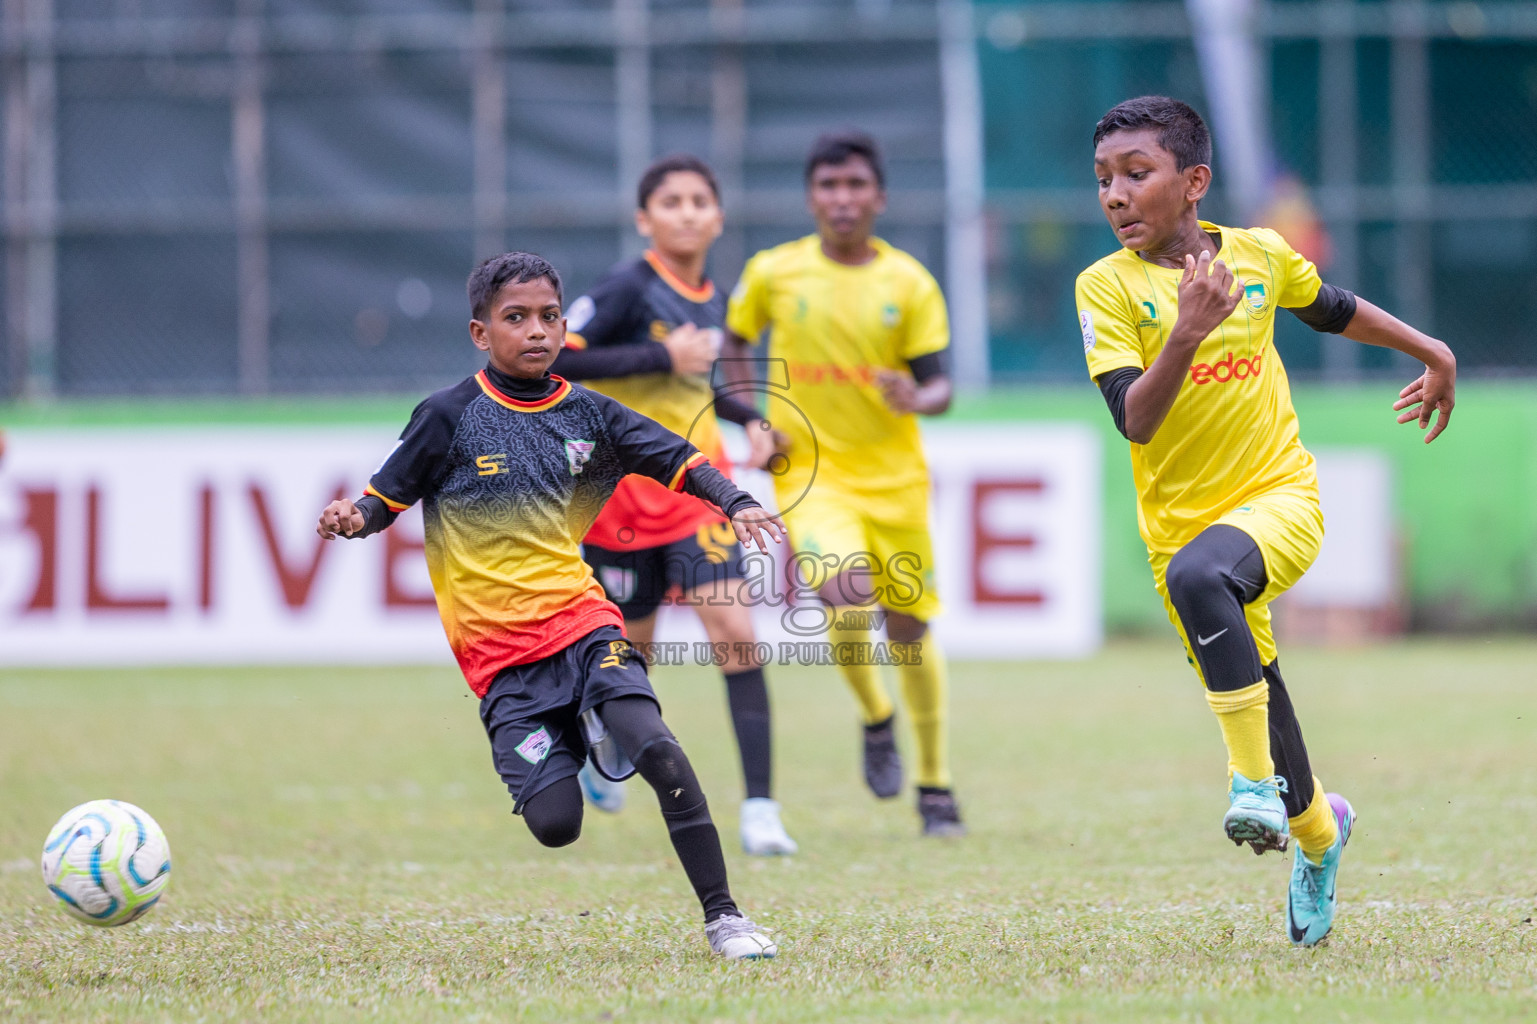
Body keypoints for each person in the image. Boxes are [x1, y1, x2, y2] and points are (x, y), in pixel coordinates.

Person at [315, 251, 786, 959]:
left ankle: (725, 917)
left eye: (547, 318)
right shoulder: (448, 416)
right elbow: (385, 496)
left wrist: (736, 499)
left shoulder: (588, 413)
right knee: (556, 824)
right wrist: (353, 517)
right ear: (481, 332)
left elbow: (675, 457)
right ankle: (581, 729)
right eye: (515, 319)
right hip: (500, 660)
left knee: (657, 747)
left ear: (565, 326)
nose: (535, 331)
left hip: (582, 620)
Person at [1076, 96, 1456, 946]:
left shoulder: (1259, 256)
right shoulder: (1103, 288)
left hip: (1279, 500)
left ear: (1193, 181)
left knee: (1199, 579)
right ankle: (1320, 837)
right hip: (1178, 529)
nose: (1114, 196)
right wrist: (1185, 331)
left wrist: (1431, 350)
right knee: (1265, 699)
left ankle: (1246, 789)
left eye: (1136, 175)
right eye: (1103, 179)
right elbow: (1135, 420)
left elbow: (1331, 306)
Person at [551, 154, 797, 857]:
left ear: (717, 217)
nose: (686, 212)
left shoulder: (709, 296)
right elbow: (556, 360)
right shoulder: (628, 287)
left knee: (736, 634)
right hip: (621, 500)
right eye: (670, 201)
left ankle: (759, 809)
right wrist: (658, 360)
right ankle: (602, 733)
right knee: (634, 658)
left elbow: (700, 383)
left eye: (698, 201)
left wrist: (747, 416)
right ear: (643, 219)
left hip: (697, 494)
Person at [722, 130, 964, 837]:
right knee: (840, 591)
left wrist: (914, 398)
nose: (842, 198)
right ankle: (875, 714)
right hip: (812, 477)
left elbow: (939, 384)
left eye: (855, 185)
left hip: (895, 482)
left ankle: (935, 784)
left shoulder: (908, 282)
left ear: (878, 197)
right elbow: (734, 343)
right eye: (828, 186)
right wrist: (753, 420)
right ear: (811, 197)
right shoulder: (774, 272)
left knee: (911, 630)